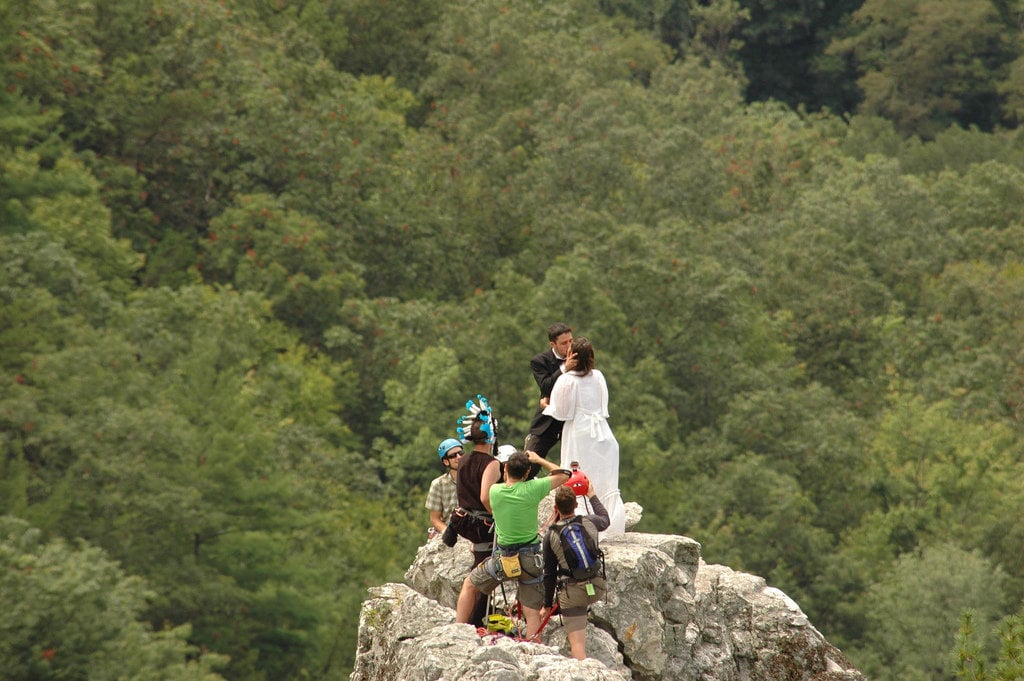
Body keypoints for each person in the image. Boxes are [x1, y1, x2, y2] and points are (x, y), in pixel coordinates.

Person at [455, 450, 571, 639]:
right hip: (530, 560)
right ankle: (535, 647)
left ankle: (457, 631)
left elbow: (485, 497)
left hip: (503, 560)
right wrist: (538, 459)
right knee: (531, 612)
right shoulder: (533, 488)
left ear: (506, 468)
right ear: (527, 474)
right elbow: (564, 474)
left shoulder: (495, 491)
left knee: (469, 585)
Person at [543, 337, 626, 536]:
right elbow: (602, 406)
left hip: (580, 434)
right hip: (603, 434)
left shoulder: (567, 380)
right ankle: (609, 524)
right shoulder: (598, 376)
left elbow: (562, 412)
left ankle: (579, 524)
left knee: (577, 477)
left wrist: (546, 407)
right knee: (604, 480)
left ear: (572, 356)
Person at [445, 395, 502, 627]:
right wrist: (500, 519)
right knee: (483, 575)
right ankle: (474, 622)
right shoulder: (491, 463)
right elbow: (485, 497)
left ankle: (472, 621)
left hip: (465, 521)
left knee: (480, 570)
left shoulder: (464, 460)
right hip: (484, 526)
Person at [541, 483, 609, 660]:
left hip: (572, 594)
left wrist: (547, 605)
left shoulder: (550, 536)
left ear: (556, 508)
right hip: (598, 587)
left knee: (577, 645)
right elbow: (605, 518)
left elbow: (549, 574)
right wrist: (592, 495)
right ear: (576, 505)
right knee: (585, 598)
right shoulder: (589, 522)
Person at [524, 322, 573, 478]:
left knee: (575, 461)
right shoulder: (540, 360)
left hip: (572, 419)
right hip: (547, 421)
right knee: (529, 464)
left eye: (571, 341)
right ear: (553, 344)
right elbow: (545, 387)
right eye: (564, 343)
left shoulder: (580, 356)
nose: (569, 346)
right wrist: (565, 367)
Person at [426, 438, 462, 539]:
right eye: (453, 456)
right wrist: (449, 534)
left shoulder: (474, 479)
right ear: (446, 462)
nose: (458, 457)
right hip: (449, 534)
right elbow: (435, 519)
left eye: (460, 453)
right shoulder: (438, 484)